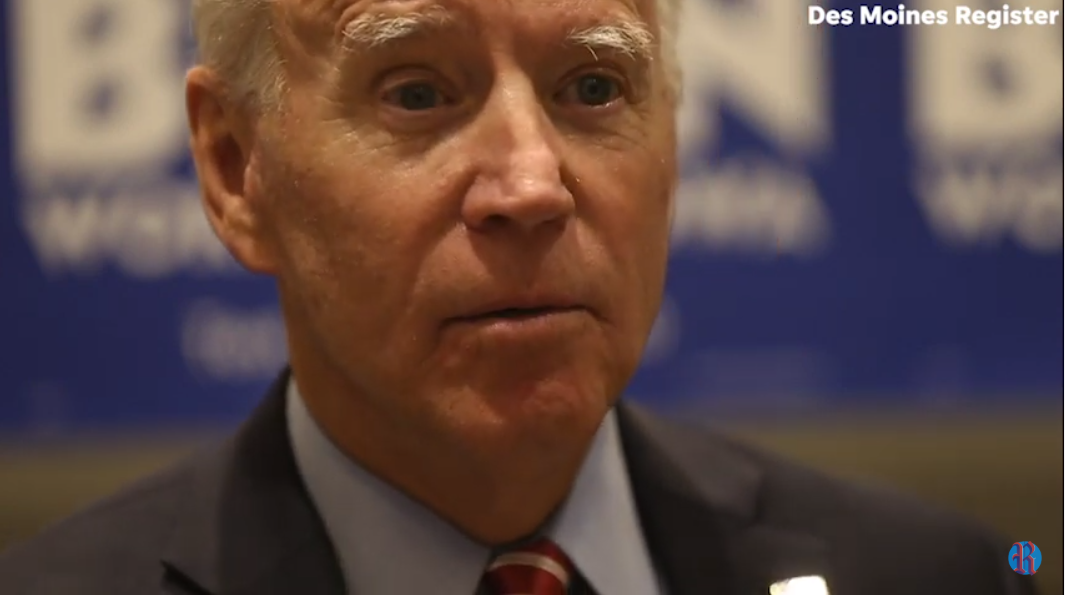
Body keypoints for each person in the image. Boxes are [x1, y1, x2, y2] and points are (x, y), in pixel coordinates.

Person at [0, 0, 1039, 593]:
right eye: (417, 93)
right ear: (237, 169)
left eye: (593, 87)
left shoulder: (938, 577)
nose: (532, 184)